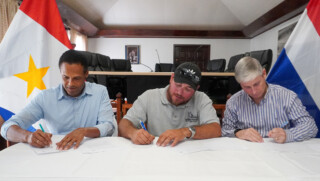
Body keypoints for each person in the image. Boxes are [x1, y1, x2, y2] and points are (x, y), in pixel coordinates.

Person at [1, 50, 116, 150]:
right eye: (65, 77)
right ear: (60, 73)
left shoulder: (100, 92)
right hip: (58, 152)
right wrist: (28, 136)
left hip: (91, 152)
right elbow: (6, 127)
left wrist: (84, 131)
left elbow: (109, 126)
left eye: (76, 78)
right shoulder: (46, 97)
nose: (70, 84)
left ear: (86, 74)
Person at [119, 62, 221, 147]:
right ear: (171, 78)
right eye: (178, 85)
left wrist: (186, 132)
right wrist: (133, 133)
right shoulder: (149, 96)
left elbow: (216, 129)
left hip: (190, 155)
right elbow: (124, 124)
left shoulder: (202, 99)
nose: (180, 93)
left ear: (196, 89)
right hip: (157, 151)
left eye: (188, 89)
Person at [222, 57, 318, 143]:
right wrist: (238, 133)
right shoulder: (234, 102)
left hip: (279, 152)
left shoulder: (287, 96)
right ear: (240, 84)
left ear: (264, 74)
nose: (254, 91)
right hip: (247, 154)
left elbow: (310, 126)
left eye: (256, 84)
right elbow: (225, 130)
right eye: (247, 87)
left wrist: (288, 135)